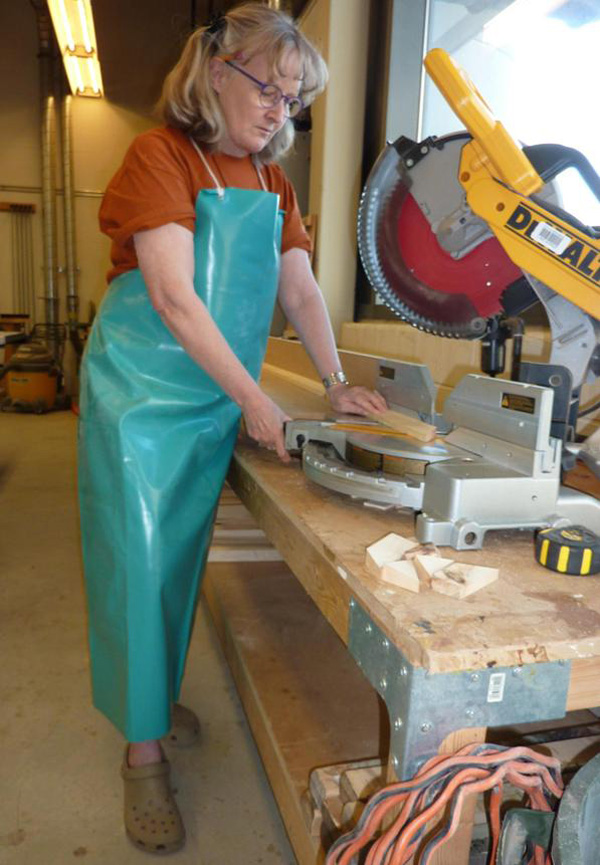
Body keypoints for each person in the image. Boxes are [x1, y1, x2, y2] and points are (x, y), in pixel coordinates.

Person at [78, 1, 387, 854]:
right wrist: (258, 400)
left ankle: (155, 695)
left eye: (292, 99)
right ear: (218, 72)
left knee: (179, 561)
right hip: (142, 398)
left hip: (213, 398)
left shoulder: (274, 183)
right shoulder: (162, 155)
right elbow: (175, 299)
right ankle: (142, 756)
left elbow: (299, 290)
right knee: (138, 566)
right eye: (268, 87)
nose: (278, 109)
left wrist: (334, 383)